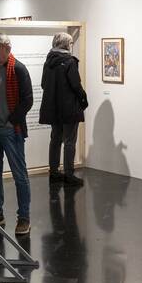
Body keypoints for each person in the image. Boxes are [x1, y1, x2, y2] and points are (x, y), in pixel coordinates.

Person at [0, 33, 33, 236]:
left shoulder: (18, 69)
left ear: (6, 49)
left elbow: (27, 100)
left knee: (19, 175)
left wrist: (11, 121)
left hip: (10, 130)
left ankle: (24, 217)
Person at [39, 32, 87, 186]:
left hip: (54, 107)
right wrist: (83, 99)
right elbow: (76, 85)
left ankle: (54, 172)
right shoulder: (69, 61)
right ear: (66, 44)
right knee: (70, 141)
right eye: (71, 43)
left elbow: (43, 84)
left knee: (55, 139)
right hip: (69, 107)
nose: (71, 46)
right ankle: (69, 174)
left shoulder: (48, 61)